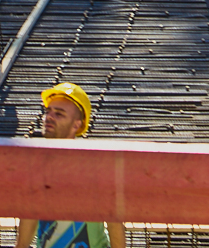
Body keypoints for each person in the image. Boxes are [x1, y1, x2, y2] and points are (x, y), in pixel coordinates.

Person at [15, 82, 127, 248]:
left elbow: (114, 222)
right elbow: (29, 218)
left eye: (59, 114)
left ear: (77, 124)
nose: (49, 117)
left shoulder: (93, 165)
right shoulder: (36, 165)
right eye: (48, 111)